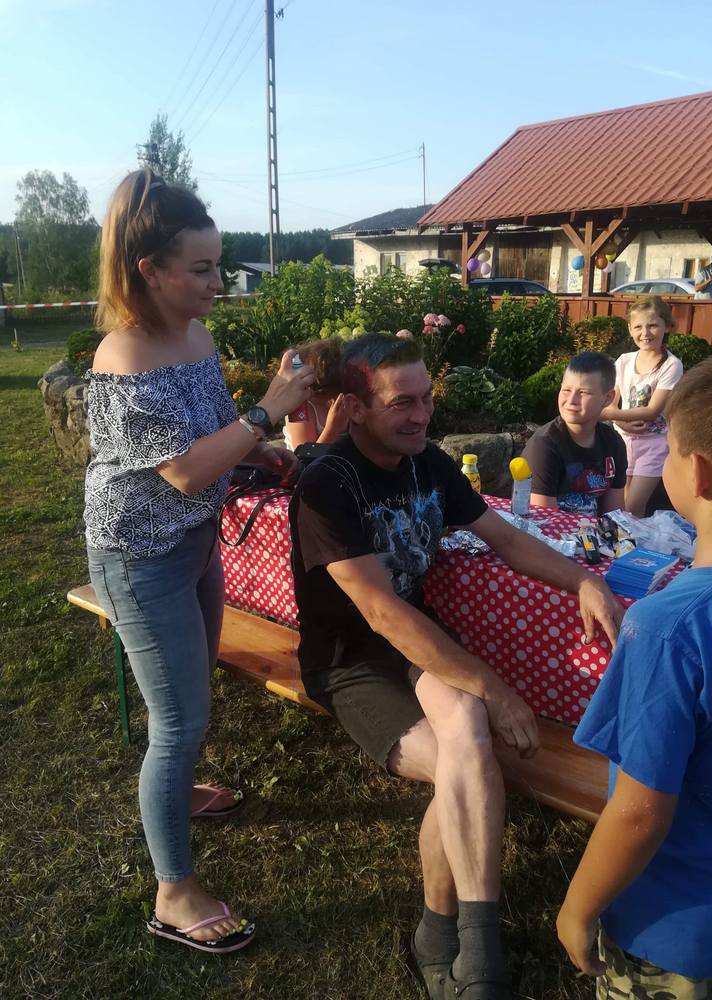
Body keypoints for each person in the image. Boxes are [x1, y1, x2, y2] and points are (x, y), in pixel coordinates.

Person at [288, 333, 624, 1000]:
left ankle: (460, 942)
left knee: (467, 739)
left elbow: (505, 539)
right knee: (463, 762)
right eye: (402, 403)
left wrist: (585, 580)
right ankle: (466, 944)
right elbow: (381, 614)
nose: (421, 416)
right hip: (350, 660)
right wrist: (495, 687)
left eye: (427, 399)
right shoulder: (327, 482)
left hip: (420, 644)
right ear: (355, 407)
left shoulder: (427, 463)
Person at [85, 168, 315, 954]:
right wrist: (270, 411)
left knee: (191, 699)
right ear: (150, 270)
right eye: (202, 269)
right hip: (138, 556)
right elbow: (184, 469)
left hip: (193, 541)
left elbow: (216, 435)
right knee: (179, 720)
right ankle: (174, 893)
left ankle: (179, 794)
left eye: (218, 265)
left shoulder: (195, 336)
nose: (219, 283)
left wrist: (261, 454)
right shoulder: (123, 355)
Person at [557, 347, 712, 998]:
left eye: (669, 449)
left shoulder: (666, 628)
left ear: (699, 473)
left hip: (676, 933)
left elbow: (639, 813)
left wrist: (578, 908)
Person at [600, 297, 683, 517]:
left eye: (653, 325)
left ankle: (636, 540)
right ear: (630, 329)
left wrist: (613, 414)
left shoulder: (671, 365)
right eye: (638, 327)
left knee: (634, 506)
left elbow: (652, 410)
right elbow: (610, 401)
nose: (645, 333)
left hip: (654, 444)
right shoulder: (624, 361)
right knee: (619, 504)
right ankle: (622, 539)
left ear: (667, 326)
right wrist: (619, 421)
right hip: (623, 441)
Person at [522, 351, 627, 517]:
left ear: (608, 398)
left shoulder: (613, 443)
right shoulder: (543, 446)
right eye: (566, 390)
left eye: (583, 392)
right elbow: (544, 520)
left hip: (594, 531)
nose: (571, 401)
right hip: (550, 530)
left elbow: (615, 515)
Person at [282, 336, 348, 450]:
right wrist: (332, 428)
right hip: (313, 461)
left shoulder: (347, 397)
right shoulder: (300, 407)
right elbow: (305, 456)